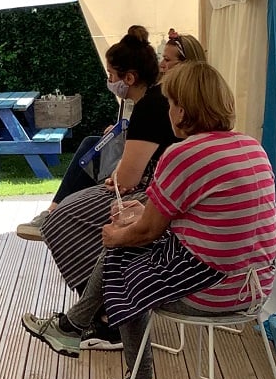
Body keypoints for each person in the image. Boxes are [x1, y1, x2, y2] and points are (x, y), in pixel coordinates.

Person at [98, 61, 276, 379]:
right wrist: (139, 218)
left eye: (170, 103)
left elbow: (148, 230)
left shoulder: (183, 154)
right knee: (137, 253)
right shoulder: (250, 146)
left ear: (182, 109)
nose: (168, 111)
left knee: (120, 265)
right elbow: (197, 213)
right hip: (255, 284)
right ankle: (78, 322)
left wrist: (115, 236)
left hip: (213, 290)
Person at [20, 26, 179, 353]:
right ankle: (96, 316)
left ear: (129, 78)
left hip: (152, 195)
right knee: (85, 181)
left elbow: (128, 180)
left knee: (65, 219)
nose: (109, 81)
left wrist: (114, 177)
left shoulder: (150, 106)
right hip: (160, 192)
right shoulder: (149, 103)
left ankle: (104, 318)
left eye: (111, 75)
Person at [16, 26, 204, 242]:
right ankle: (53, 213)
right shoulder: (172, 101)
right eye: (162, 58)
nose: (162, 65)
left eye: (169, 60)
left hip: (158, 189)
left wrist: (118, 174)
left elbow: (129, 178)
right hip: (169, 185)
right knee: (93, 144)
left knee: (72, 210)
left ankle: (55, 218)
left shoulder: (153, 104)